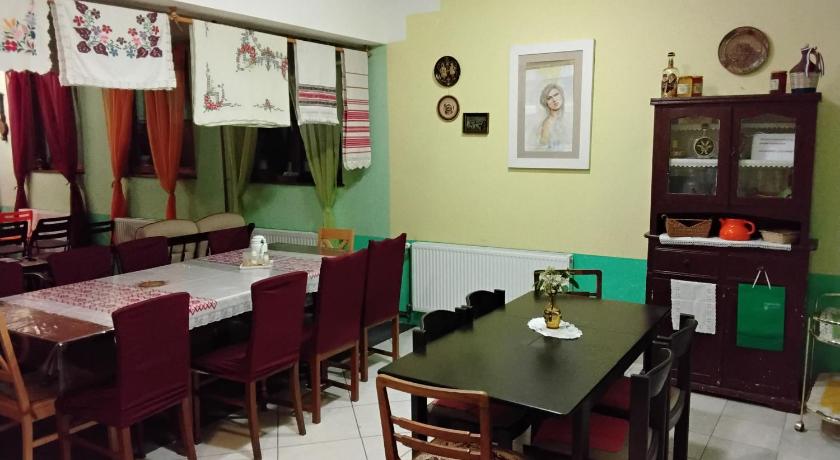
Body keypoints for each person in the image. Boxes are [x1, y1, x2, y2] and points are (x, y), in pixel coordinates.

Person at [536, 83, 567, 150]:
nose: (554, 100)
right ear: (546, 103)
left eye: (556, 95)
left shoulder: (566, 119)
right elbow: (543, 148)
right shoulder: (547, 124)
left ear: (561, 95)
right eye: (549, 98)